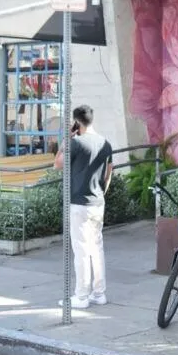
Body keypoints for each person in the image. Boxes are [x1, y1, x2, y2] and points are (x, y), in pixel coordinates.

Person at [54, 105, 113, 309]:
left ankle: (81, 296)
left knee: (81, 250)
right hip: (97, 202)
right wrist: (100, 193)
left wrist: (65, 141)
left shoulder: (76, 144)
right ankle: (99, 293)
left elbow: (57, 164)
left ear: (77, 122)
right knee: (96, 248)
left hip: (79, 203)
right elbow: (108, 175)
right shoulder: (106, 144)